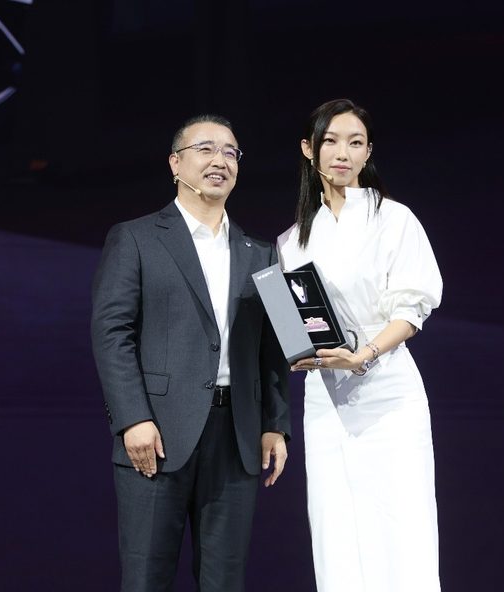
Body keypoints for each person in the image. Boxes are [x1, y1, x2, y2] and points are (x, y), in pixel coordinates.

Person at [90, 114, 291, 592]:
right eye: (205, 149)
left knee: (225, 582)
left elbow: (276, 346)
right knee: (146, 579)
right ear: (175, 164)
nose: (220, 160)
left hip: (237, 438)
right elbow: (111, 332)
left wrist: (275, 423)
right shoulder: (135, 237)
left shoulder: (262, 252)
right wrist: (133, 418)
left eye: (230, 152)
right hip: (157, 434)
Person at [278, 99, 443, 591]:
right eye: (330, 141)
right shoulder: (292, 241)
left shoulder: (393, 219)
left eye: (355, 143)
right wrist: (295, 349)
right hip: (325, 401)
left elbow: (411, 308)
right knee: (336, 531)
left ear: (369, 152)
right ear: (308, 149)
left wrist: (364, 355)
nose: (342, 154)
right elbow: (293, 325)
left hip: (388, 394)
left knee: (400, 527)